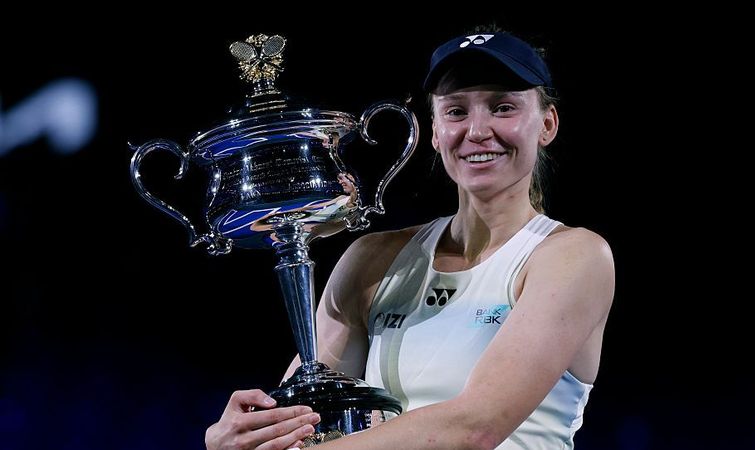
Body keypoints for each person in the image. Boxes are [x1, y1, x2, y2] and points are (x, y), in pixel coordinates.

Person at [205, 29, 615, 450]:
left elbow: (476, 427)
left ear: (547, 124)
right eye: (456, 111)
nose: (477, 130)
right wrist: (248, 438)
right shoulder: (373, 260)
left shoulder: (574, 257)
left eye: (503, 107)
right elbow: (302, 421)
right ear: (435, 132)